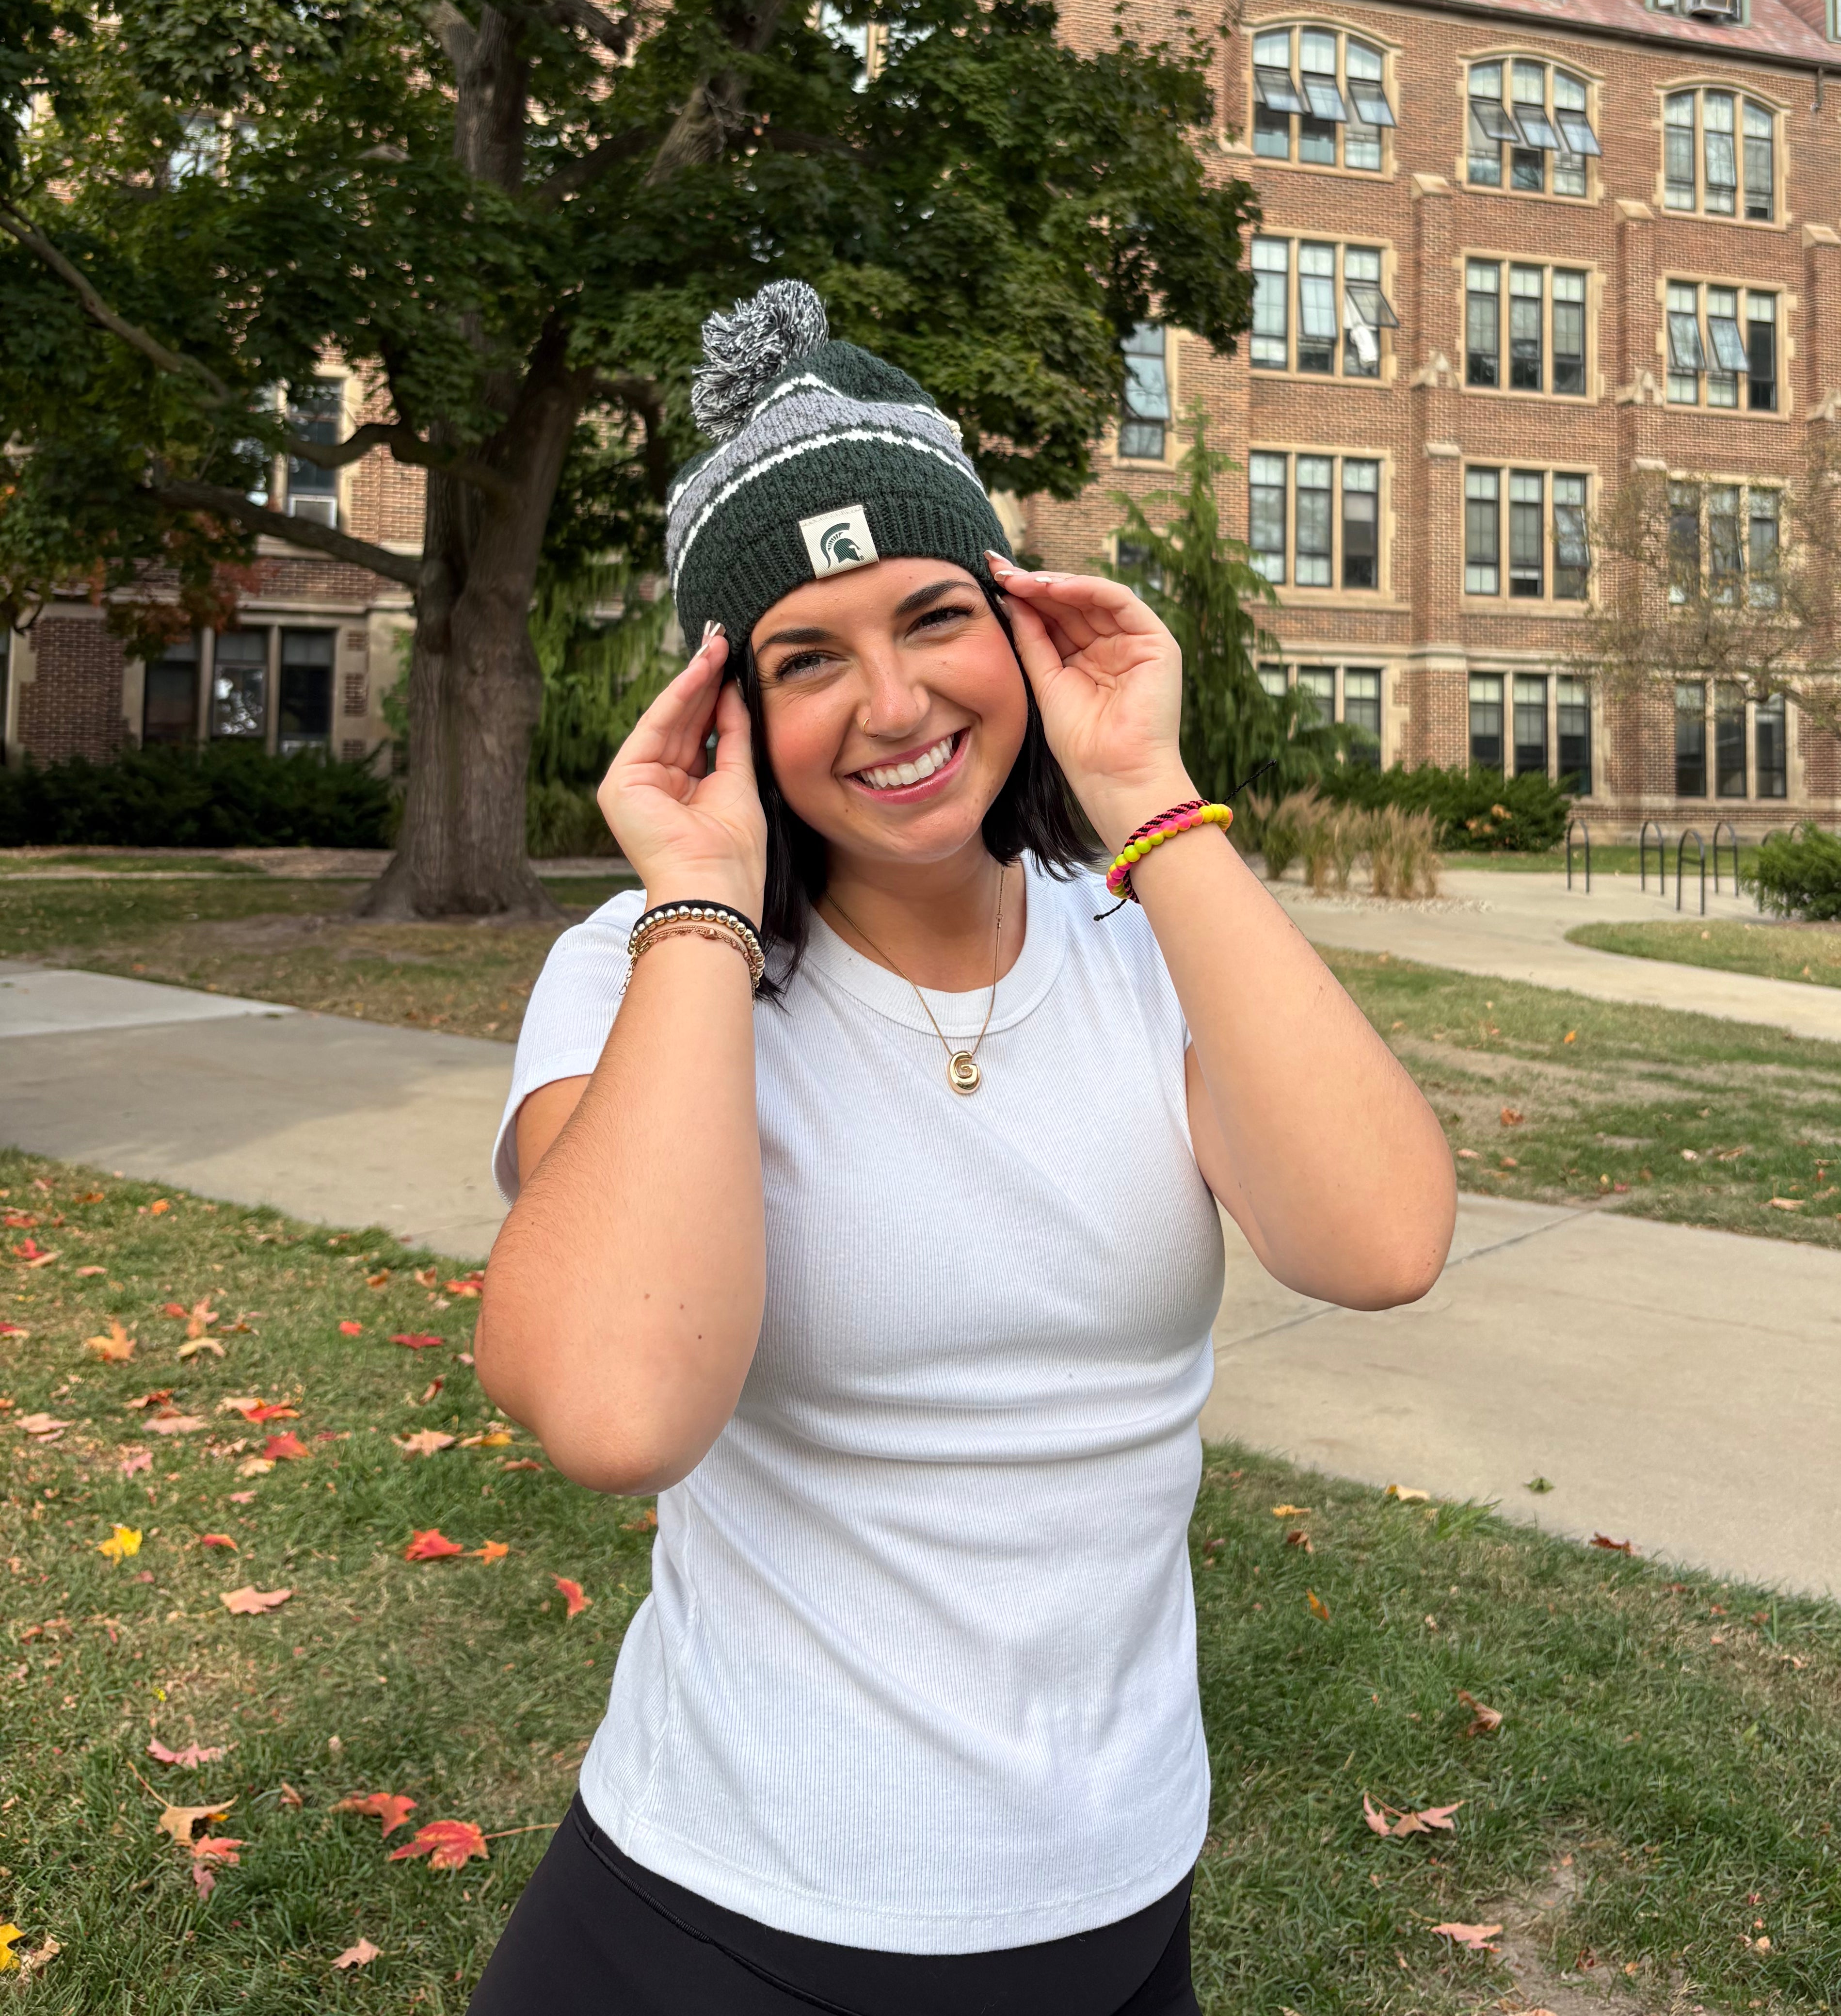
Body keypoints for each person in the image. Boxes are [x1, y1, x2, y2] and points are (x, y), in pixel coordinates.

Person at [468, 281, 1456, 2015]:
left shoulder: (1151, 935)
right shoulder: (640, 982)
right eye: (804, 660)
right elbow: (617, 1412)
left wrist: (1148, 795)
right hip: (728, 1912)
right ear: (730, 716)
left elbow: (1376, 1245)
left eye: (935, 618)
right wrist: (697, 897)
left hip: (1116, 1898)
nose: (892, 701)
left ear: (1019, 628)